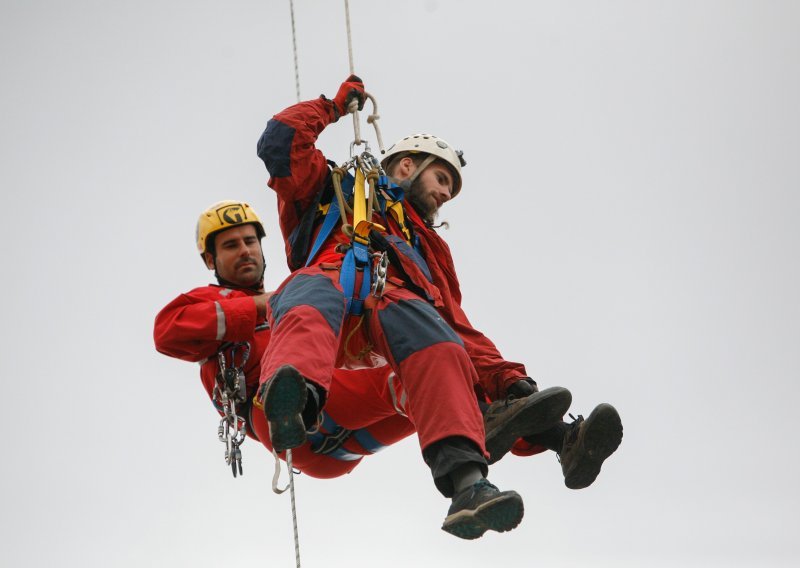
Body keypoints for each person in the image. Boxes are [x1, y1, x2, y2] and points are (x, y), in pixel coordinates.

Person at [254, 76, 623, 540]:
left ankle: (474, 486)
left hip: (394, 307)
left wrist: (511, 381)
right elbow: (280, 142)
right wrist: (332, 106)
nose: (447, 194)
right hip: (332, 283)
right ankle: (294, 403)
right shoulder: (330, 186)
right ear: (406, 165)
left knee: (445, 349)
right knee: (307, 302)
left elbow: (456, 324)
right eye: (442, 179)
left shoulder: (426, 247)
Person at [153, 200, 569, 486]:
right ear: (210, 260)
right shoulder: (216, 301)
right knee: (396, 380)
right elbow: (170, 331)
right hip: (281, 418)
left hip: (340, 445)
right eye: (230, 246)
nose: (244, 251)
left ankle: (549, 438)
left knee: (434, 381)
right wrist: (267, 306)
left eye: (249, 242)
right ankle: (296, 397)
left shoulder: (296, 294)